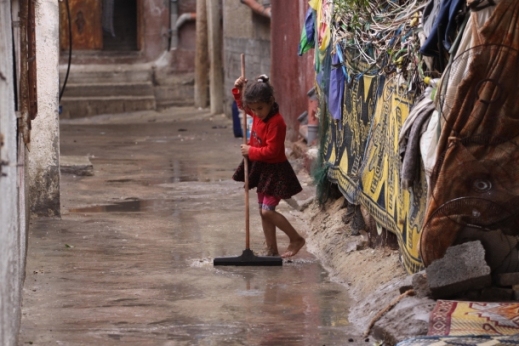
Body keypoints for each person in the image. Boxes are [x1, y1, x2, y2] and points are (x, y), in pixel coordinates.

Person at [232, 74, 306, 258]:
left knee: (267, 211)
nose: (256, 113)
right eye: (254, 109)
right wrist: (239, 90)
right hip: (262, 168)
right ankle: (271, 251)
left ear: (271, 102)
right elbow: (242, 105)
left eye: (260, 108)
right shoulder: (257, 113)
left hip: (275, 171)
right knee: (262, 211)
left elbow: (272, 151)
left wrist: (251, 151)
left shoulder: (277, 123)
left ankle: (296, 238)